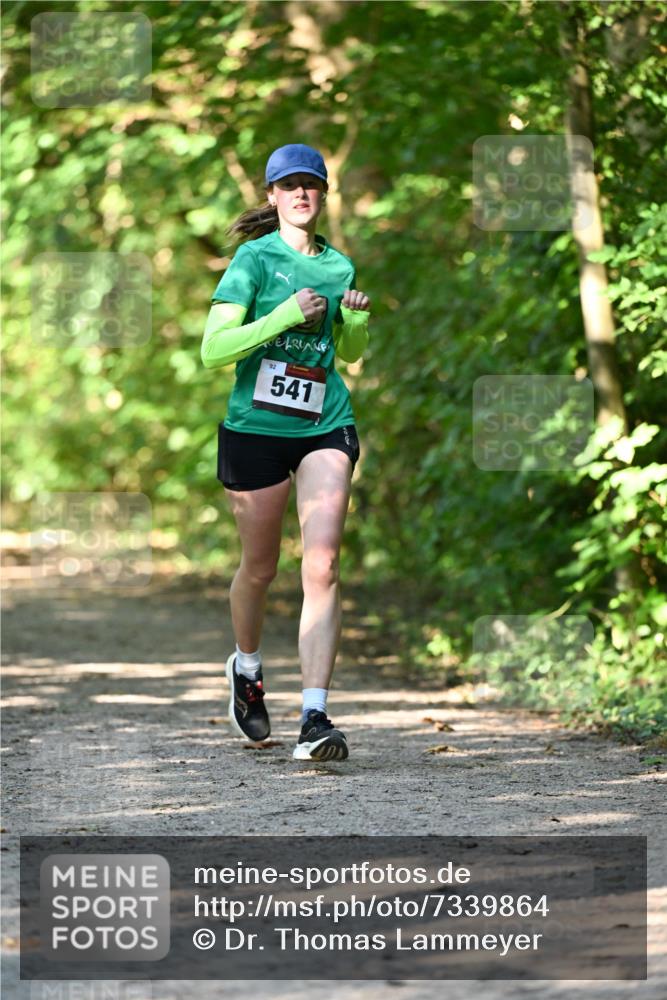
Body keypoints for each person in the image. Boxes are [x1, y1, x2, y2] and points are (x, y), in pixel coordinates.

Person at [201, 143, 370, 762]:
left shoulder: (339, 265)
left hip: (324, 423)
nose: (302, 194)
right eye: (289, 185)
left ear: (323, 196)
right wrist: (282, 315)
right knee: (261, 568)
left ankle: (315, 718)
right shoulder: (251, 260)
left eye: (312, 185)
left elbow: (348, 354)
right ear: (271, 196)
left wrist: (352, 322)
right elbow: (214, 350)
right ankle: (247, 668)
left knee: (322, 565)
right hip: (255, 431)